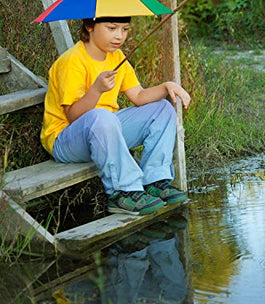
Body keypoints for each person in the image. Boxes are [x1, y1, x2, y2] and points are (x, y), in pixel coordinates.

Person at [40, 16, 191, 215]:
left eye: (125, 29)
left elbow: (138, 96)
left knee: (162, 108)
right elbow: (73, 116)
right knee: (102, 116)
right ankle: (122, 193)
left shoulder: (117, 57)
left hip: (105, 130)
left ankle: (154, 180)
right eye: (112, 28)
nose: (119, 36)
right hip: (67, 140)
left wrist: (166, 86)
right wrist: (96, 90)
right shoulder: (72, 61)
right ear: (90, 26)